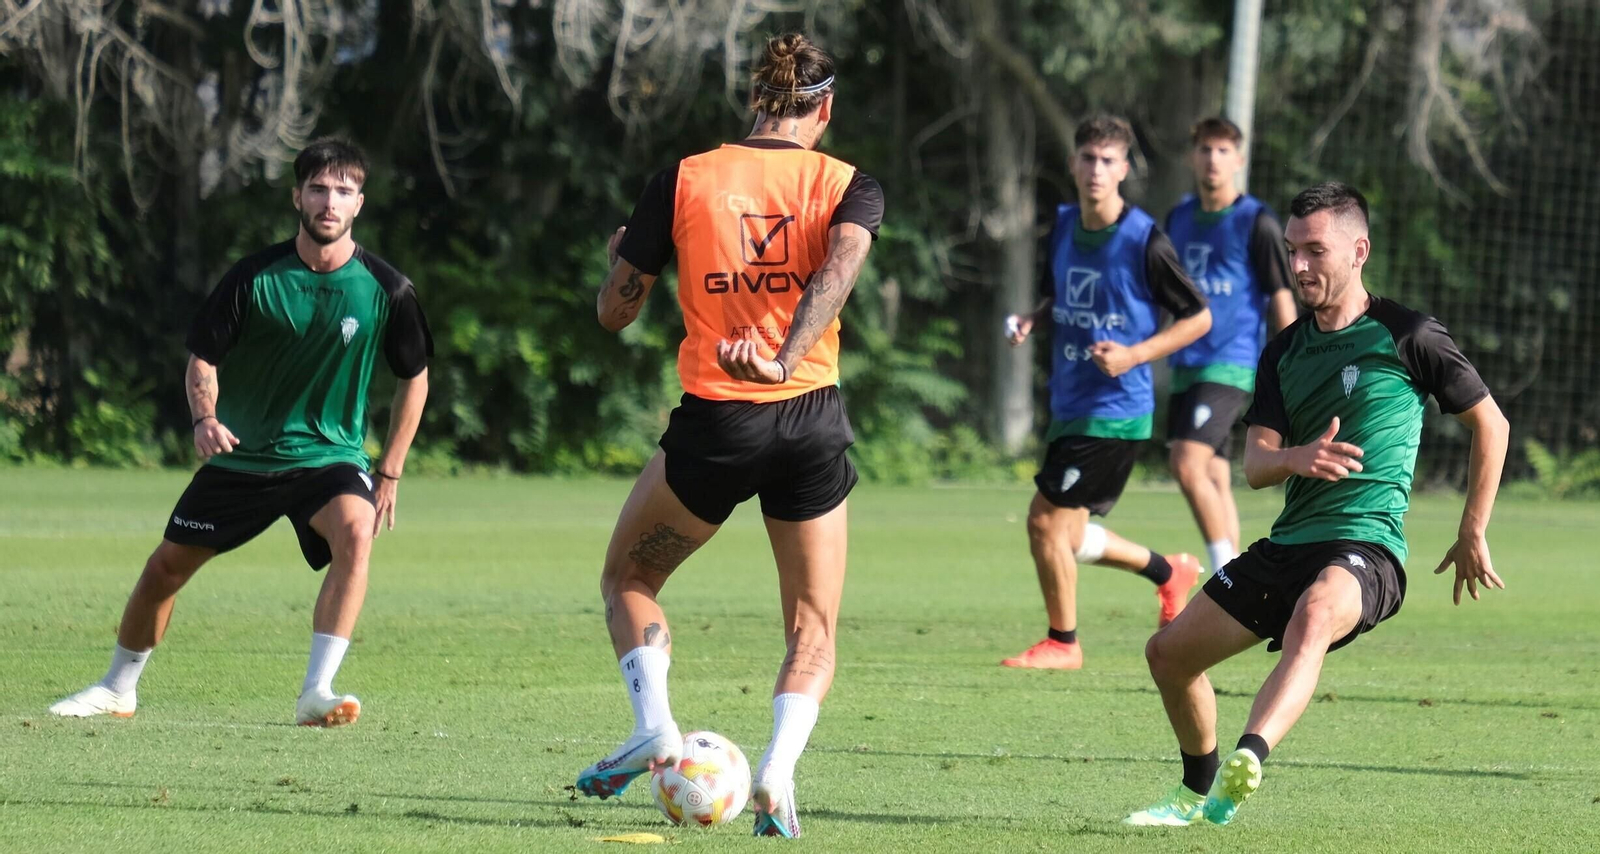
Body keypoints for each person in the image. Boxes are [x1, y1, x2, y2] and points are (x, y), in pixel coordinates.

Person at [573, 33, 882, 839]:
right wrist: (784, 359)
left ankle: (654, 728)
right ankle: (776, 775)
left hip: (718, 422)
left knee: (626, 580)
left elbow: (613, 313)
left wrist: (623, 258)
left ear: (754, 100)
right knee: (812, 626)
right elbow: (839, 269)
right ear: (825, 107)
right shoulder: (848, 183)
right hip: (810, 416)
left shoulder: (684, 178)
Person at [1125, 182, 1508, 827]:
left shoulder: (1408, 334)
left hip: (1367, 549)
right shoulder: (1283, 351)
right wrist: (1296, 458)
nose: (1299, 265)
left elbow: (1490, 423)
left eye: (1314, 250)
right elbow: (1254, 466)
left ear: (1359, 251)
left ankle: (1250, 756)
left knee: (1315, 614)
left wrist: (1473, 531)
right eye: (1292, 250)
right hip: (1289, 545)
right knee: (1167, 655)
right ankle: (1197, 794)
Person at [48, 138, 433, 728]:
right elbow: (203, 360)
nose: (330, 202)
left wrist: (389, 471)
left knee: (357, 533)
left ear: (360, 203)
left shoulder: (388, 288)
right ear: (297, 197)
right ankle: (117, 688)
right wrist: (205, 419)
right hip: (244, 457)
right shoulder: (253, 277)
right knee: (165, 569)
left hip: (328, 457)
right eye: (319, 189)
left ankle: (317, 690)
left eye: (344, 191)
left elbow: (415, 378)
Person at [1001, 114, 1212, 671]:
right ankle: (1170, 572)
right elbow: (1060, 299)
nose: (1097, 170)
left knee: (1045, 523)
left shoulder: (1145, 239)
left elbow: (1199, 318)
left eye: (1108, 160)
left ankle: (1063, 643)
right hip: (1070, 403)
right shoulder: (1065, 225)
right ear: (1073, 164)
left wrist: (1134, 355)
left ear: (1124, 169)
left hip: (1114, 411)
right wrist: (1032, 320)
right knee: (1067, 536)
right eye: (1088, 158)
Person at [1164, 117, 1298, 575]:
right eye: (1205, 149)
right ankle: (1243, 584)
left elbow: (1281, 298)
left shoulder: (1255, 221)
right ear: (1192, 157)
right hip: (1186, 365)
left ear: (1238, 159)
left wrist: (1292, 367)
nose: (1213, 159)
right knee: (1215, 475)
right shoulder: (1178, 219)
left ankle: (1225, 574)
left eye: (1223, 151)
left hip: (1231, 364)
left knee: (1185, 461)